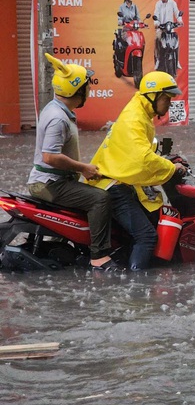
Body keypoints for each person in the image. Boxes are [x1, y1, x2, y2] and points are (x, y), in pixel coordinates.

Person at [27, 54, 119, 271]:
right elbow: (49, 156)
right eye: (87, 86)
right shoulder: (58, 118)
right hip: (49, 184)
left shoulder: (57, 110)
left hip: (53, 180)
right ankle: (99, 257)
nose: (89, 90)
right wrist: (83, 167)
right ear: (77, 90)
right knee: (100, 199)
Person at [87, 71, 187, 270]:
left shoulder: (140, 112)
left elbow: (140, 149)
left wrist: (164, 159)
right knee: (147, 237)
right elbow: (142, 157)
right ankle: (137, 287)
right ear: (153, 96)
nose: (169, 104)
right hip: (113, 185)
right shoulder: (135, 119)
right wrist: (171, 167)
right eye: (166, 98)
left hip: (117, 179)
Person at [154, 0, 183, 70]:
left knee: (176, 41)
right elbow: (156, 15)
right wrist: (156, 23)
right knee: (156, 39)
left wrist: (180, 20)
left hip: (170, 29)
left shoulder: (172, 3)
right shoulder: (158, 4)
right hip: (161, 29)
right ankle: (158, 60)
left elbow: (177, 14)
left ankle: (177, 60)